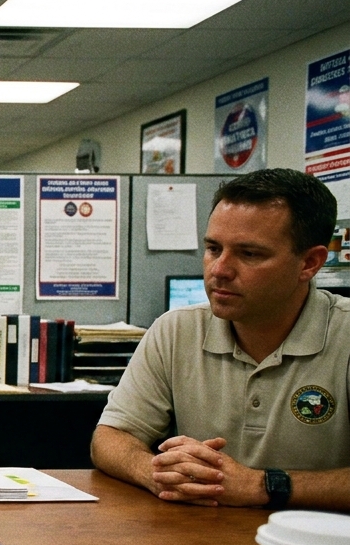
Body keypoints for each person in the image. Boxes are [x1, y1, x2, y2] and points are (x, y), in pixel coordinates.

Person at [91, 168, 350, 511]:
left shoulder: (343, 333)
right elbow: (110, 437)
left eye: (250, 254)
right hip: (201, 543)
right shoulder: (176, 330)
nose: (219, 270)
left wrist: (264, 485)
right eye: (214, 248)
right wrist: (156, 472)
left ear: (310, 263)